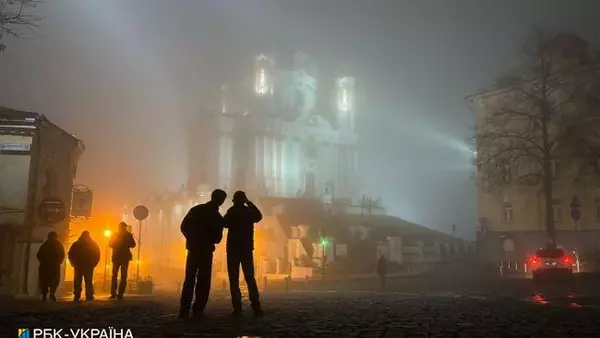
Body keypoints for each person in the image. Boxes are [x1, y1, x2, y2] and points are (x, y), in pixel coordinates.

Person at [179, 189, 227, 319]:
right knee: (204, 280)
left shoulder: (196, 210)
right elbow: (217, 239)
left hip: (193, 249)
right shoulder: (217, 217)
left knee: (189, 279)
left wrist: (191, 239)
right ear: (221, 201)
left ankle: (184, 309)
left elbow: (183, 226)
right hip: (206, 251)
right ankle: (198, 308)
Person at [224, 191, 263, 317]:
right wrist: (249, 202)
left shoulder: (231, 211)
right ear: (244, 200)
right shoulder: (248, 212)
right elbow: (259, 216)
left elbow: (224, 223)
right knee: (250, 278)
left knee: (234, 280)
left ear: (234, 200)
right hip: (246, 249)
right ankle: (256, 306)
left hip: (233, 249)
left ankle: (237, 308)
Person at [68, 231, 100, 301]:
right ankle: (89, 296)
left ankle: (77, 295)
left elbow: (70, 254)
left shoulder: (76, 244)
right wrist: (94, 263)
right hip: (88, 266)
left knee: (77, 281)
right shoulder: (93, 244)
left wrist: (73, 263)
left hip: (78, 265)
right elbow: (97, 255)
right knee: (88, 281)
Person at [109, 222, 136, 300]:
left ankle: (113, 293)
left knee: (114, 276)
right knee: (123, 276)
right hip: (124, 258)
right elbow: (133, 245)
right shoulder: (128, 235)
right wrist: (126, 243)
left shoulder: (115, 235)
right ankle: (120, 294)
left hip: (116, 257)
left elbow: (110, 244)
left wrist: (117, 244)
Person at [37, 231, 65, 301]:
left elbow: (39, 255)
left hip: (46, 266)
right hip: (53, 266)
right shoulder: (58, 245)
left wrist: (43, 261)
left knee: (45, 281)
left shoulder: (45, 245)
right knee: (53, 281)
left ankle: (45, 294)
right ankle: (51, 294)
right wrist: (59, 262)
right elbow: (62, 255)